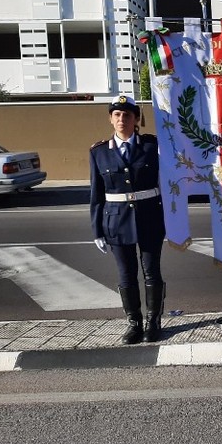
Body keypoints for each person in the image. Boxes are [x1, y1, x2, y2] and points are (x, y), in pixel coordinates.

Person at [90, 95, 167, 344]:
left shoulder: (152, 146)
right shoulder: (99, 152)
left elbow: (167, 184)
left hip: (149, 218)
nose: (121, 119)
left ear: (136, 119)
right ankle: (134, 323)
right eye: (116, 115)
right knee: (126, 275)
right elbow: (96, 194)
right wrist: (97, 230)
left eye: (127, 115)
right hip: (116, 221)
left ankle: (153, 321)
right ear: (111, 119)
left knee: (151, 272)